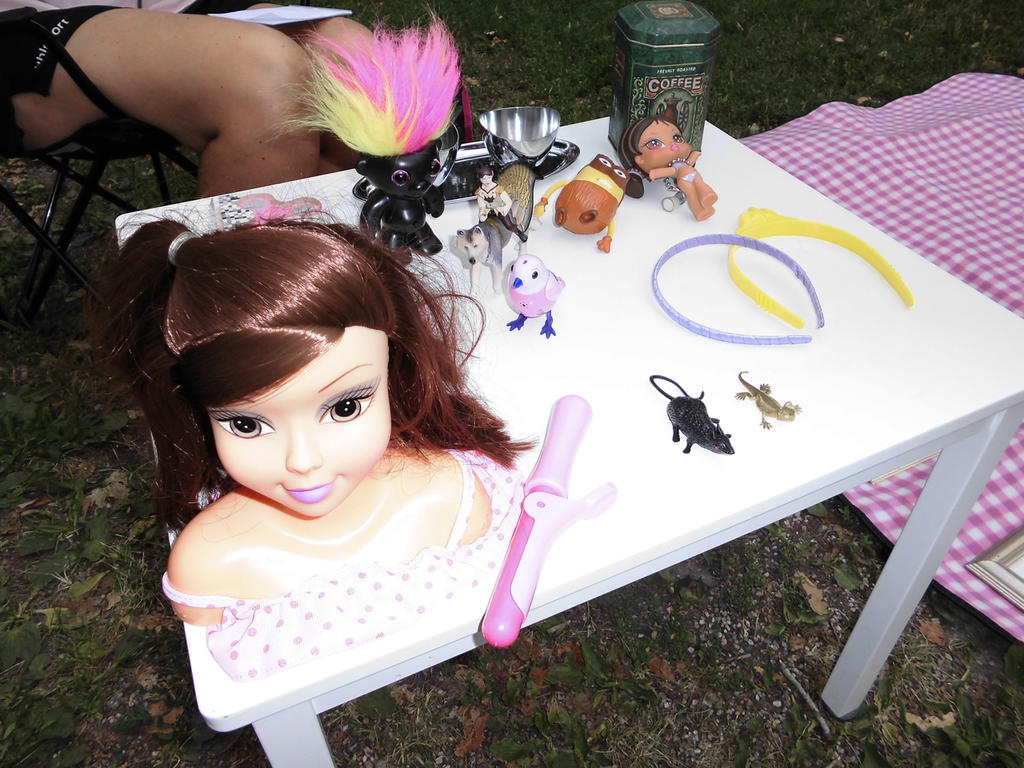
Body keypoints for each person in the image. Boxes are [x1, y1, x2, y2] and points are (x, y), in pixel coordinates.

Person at [90, 217, 532, 679]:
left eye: (344, 407)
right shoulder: (208, 566)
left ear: (394, 368)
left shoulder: (454, 496)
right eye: (246, 424)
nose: (303, 461)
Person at [1, 1, 372, 195]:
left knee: (351, 54)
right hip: (32, 24)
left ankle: (326, 268)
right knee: (263, 79)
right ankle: (242, 299)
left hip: (180, 4)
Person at [619, 114, 718, 221]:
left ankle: (707, 196)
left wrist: (695, 154)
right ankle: (700, 211)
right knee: (691, 194)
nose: (674, 146)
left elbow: (691, 160)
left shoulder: (683, 163)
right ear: (639, 159)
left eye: (677, 138)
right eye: (654, 143)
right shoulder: (674, 169)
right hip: (684, 180)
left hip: (691, 176)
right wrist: (655, 174)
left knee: (700, 184)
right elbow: (661, 172)